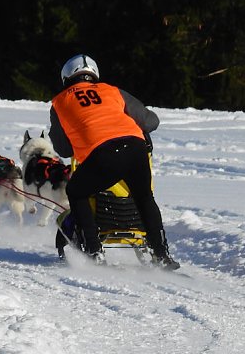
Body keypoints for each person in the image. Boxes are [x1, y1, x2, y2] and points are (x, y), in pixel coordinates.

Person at [49, 54, 179, 269]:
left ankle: (94, 251)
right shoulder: (112, 91)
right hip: (136, 148)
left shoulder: (60, 101)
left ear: (66, 78)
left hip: (102, 154)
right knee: (144, 196)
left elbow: (63, 148)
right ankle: (161, 255)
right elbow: (151, 121)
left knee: (77, 191)